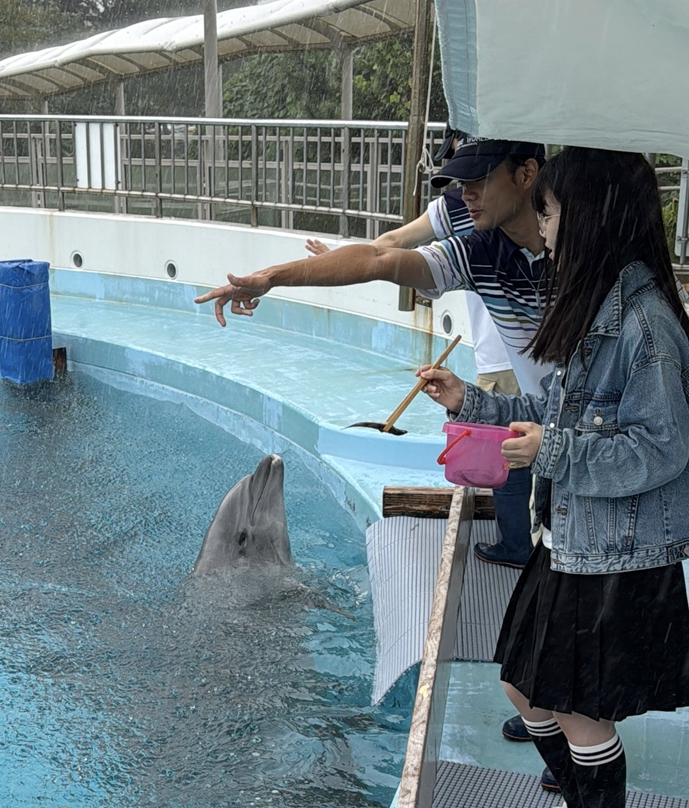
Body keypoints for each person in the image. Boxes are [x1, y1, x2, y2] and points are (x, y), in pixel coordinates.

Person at [417, 148, 689, 808]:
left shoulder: (644, 325)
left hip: (617, 552)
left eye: (548, 212)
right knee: (526, 687)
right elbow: (553, 413)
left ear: (593, 218)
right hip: (571, 538)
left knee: (579, 707)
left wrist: (555, 451)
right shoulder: (596, 308)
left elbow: (662, 448)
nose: (540, 229)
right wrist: (471, 402)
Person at [194, 135, 548, 574]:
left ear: (526, 175)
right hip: (550, 412)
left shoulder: (582, 254)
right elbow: (379, 257)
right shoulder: (478, 253)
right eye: (462, 184)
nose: (466, 195)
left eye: (479, 181)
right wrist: (271, 278)